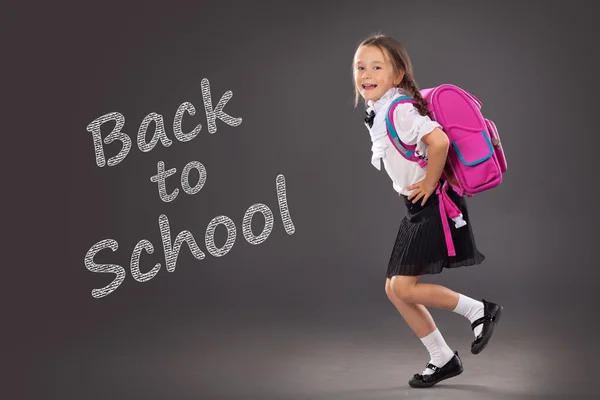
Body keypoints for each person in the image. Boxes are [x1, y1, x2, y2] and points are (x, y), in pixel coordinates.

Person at [352, 34, 503, 389]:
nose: (366, 74)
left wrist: (430, 182)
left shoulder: (400, 109)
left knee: (402, 286)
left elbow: (440, 141)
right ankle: (443, 358)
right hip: (417, 207)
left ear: (398, 74)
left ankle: (478, 311)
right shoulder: (382, 109)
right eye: (360, 67)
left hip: (435, 205)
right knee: (395, 289)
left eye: (377, 66)